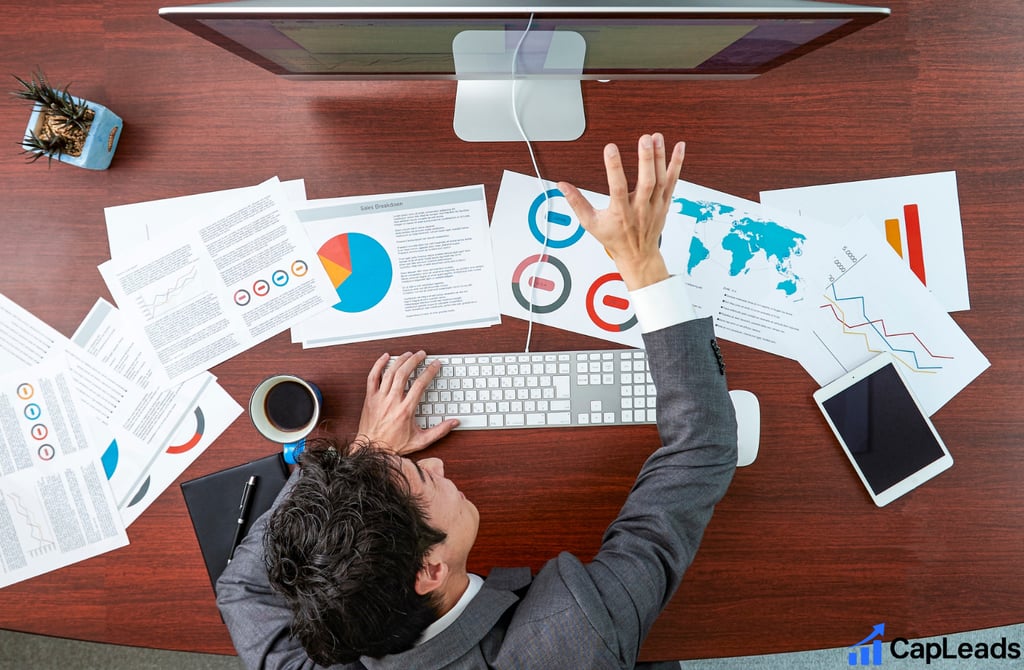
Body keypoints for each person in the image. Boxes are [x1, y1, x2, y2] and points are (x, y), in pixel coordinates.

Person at [217, 133, 738, 669]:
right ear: (430, 570)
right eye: (422, 479)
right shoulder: (571, 638)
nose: (436, 463)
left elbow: (241, 591)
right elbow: (702, 449)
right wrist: (642, 261)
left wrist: (370, 449)